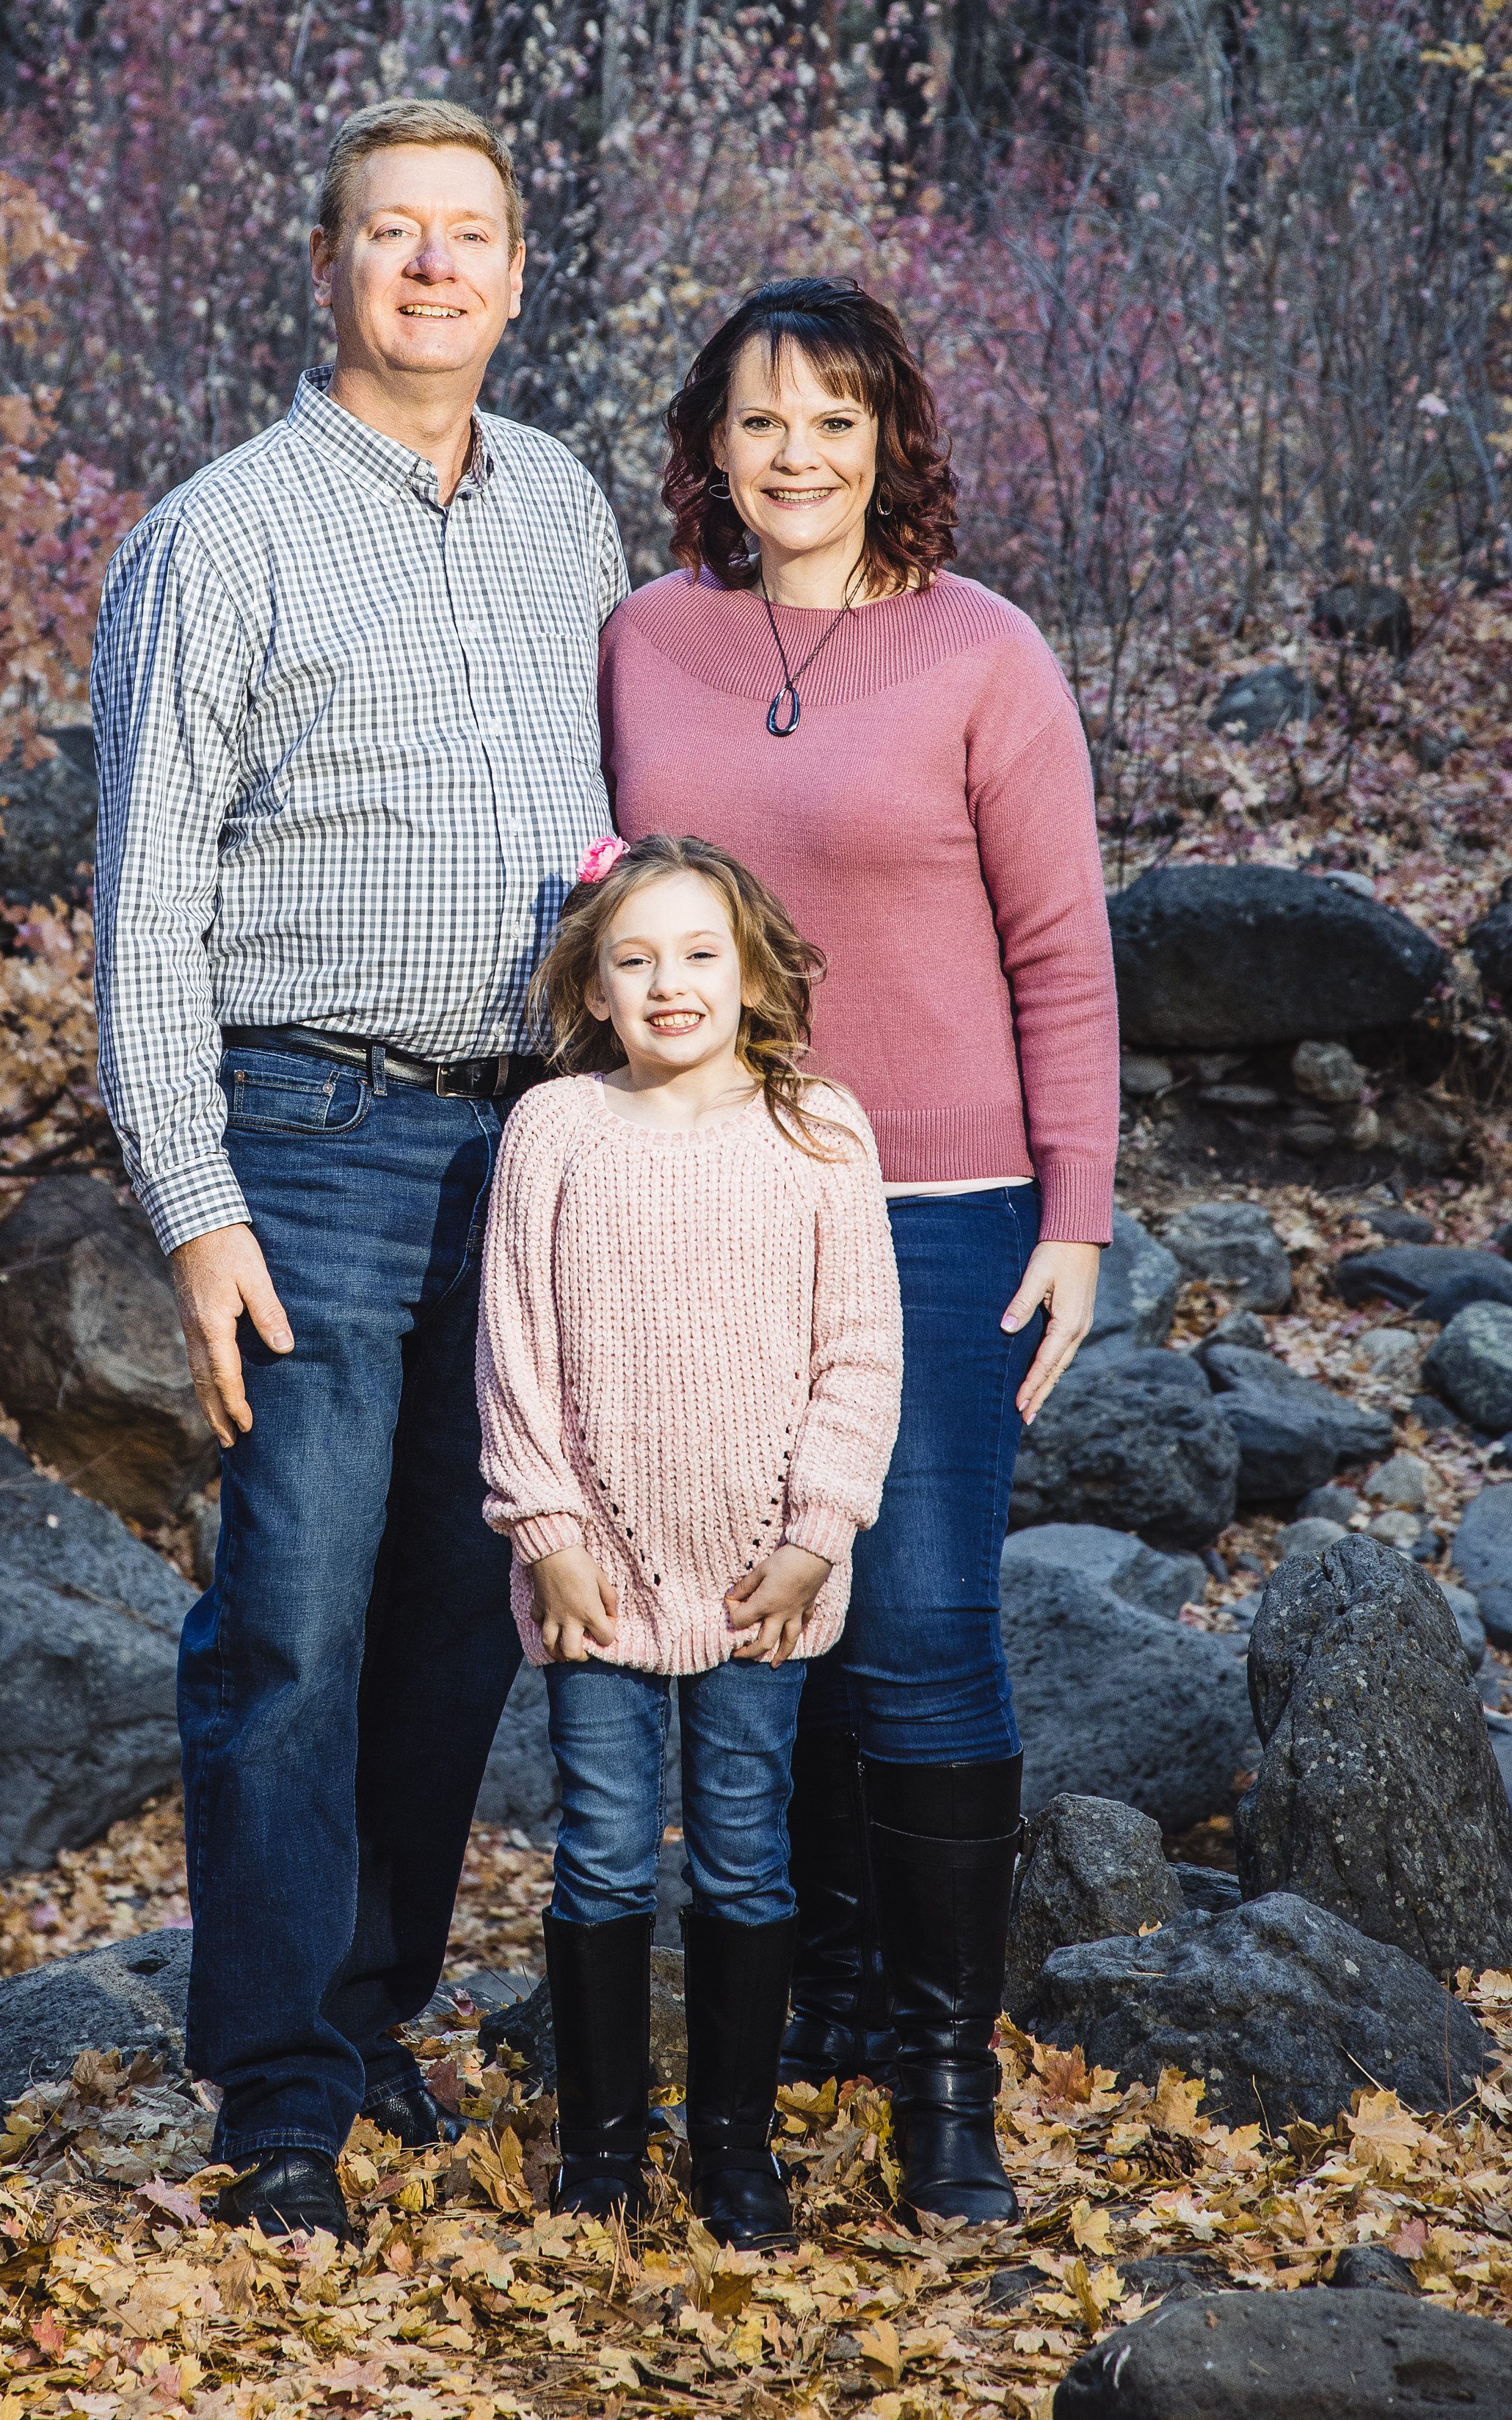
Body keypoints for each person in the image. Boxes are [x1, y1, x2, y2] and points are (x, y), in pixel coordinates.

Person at [90, 97, 629, 2238]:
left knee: (453, 1622)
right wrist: (195, 1208)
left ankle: (375, 2010)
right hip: (307, 1128)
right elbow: (141, 902)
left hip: (535, 1135)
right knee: (293, 1620)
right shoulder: (217, 534)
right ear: (325, 264)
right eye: (391, 233)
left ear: (514, 273)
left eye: (469, 235)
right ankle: (282, 2095)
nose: (431, 267)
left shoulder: (567, 511)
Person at [598, 275, 1119, 2228]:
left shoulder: (988, 655)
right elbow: (603, 900)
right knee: (760, 1598)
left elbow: (1063, 951)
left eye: (835, 414)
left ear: (895, 429)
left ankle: (943, 2084)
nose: (797, 451)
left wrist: (1076, 1209)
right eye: (759, 419)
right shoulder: (647, 641)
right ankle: (816, 1985)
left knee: (914, 1622)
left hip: (939, 1206)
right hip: (709, 1192)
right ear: (710, 447)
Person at [477, 831, 904, 2246]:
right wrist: (545, 1528)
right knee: (601, 1850)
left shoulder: (819, 1130)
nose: (671, 983)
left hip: (758, 1580)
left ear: (754, 969)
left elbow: (860, 1354)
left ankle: (734, 2153)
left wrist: (818, 1533)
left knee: (742, 1854)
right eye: (636, 958)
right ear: (593, 988)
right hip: (593, 1567)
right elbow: (515, 1348)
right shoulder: (555, 1130)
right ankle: (602, 2153)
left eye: (700, 953)